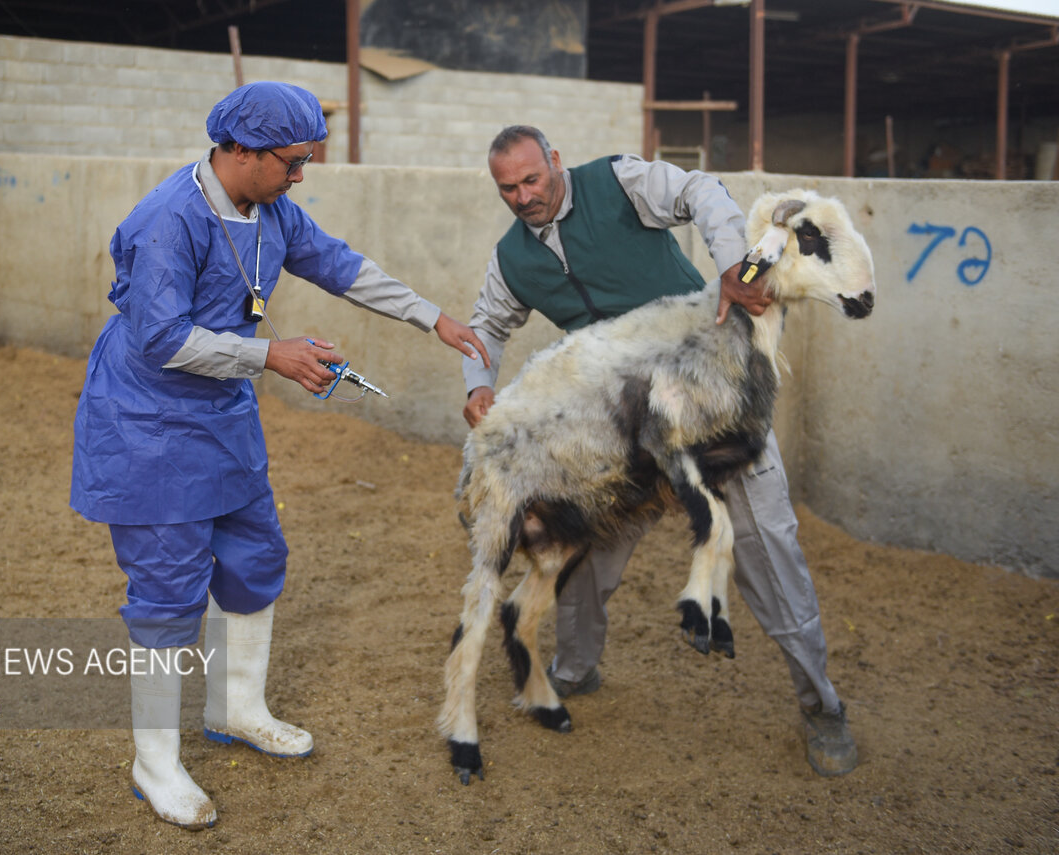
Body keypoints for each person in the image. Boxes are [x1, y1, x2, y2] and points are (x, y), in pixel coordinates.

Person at [70, 81, 489, 830]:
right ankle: (155, 763)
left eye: (305, 162)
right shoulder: (170, 220)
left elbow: (337, 263)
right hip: (151, 422)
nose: (300, 176)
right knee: (168, 590)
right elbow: (162, 339)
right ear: (240, 150)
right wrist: (273, 355)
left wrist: (432, 318)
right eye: (292, 162)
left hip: (222, 413)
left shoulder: (270, 211)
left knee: (254, 556)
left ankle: (236, 707)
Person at [460, 125, 857, 778]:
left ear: (554, 161)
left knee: (767, 546)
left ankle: (822, 704)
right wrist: (479, 385)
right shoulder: (512, 258)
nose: (524, 196)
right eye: (509, 188)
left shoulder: (618, 181)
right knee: (582, 550)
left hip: (710, 391)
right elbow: (485, 325)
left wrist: (732, 265)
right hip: (620, 427)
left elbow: (701, 189)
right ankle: (574, 668)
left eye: (532, 179)